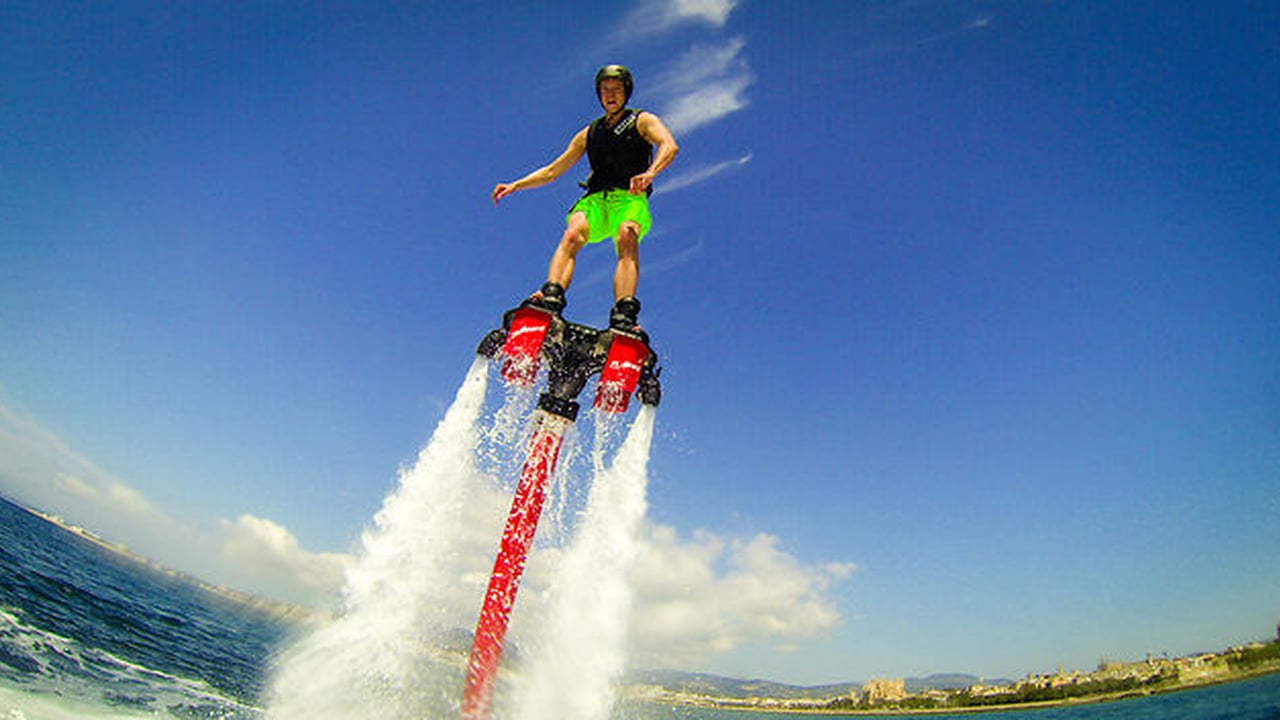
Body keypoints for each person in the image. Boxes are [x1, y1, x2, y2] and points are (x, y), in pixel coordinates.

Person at [492, 65, 679, 330]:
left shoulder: (642, 120)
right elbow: (553, 171)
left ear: (626, 92)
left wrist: (651, 172)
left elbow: (669, 145)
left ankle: (624, 314)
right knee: (572, 233)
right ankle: (551, 296)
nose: (610, 95)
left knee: (626, 236)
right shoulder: (589, 133)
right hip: (595, 199)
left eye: (616, 89)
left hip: (628, 198)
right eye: (605, 90)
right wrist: (515, 185)